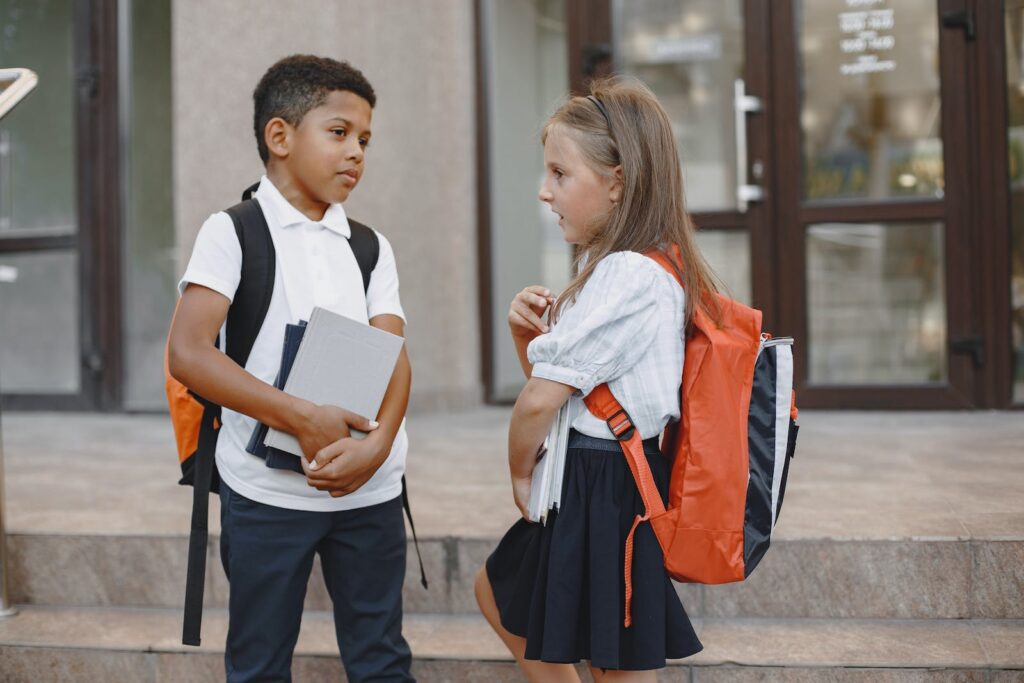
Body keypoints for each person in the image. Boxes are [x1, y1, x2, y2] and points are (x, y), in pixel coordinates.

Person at [167, 54, 414, 682]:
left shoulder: (369, 246)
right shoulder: (234, 232)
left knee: (382, 659)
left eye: (365, 139)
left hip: (370, 490)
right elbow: (189, 353)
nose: (356, 151)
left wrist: (379, 446)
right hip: (267, 493)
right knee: (259, 663)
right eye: (339, 133)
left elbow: (394, 356)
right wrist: (301, 417)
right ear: (279, 137)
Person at [476, 76, 720, 681]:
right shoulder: (630, 268)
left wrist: (517, 471)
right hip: (590, 477)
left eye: (560, 174)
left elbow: (539, 402)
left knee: (612, 661)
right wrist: (525, 339)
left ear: (617, 183)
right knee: (501, 591)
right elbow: (567, 393)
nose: (544, 191)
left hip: (605, 486)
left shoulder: (628, 275)